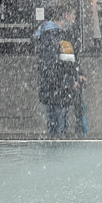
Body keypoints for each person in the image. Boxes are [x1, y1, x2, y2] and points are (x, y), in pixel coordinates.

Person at [34, 8, 83, 137]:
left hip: (59, 91)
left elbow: (67, 61)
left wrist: (78, 74)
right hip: (56, 91)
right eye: (73, 14)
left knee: (60, 127)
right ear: (65, 15)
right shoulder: (52, 36)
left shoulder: (60, 35)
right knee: (58, 129)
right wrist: (69, 81)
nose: (74, 18)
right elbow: (51, 67)